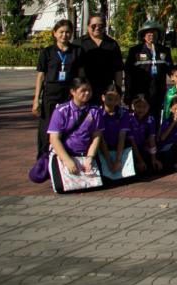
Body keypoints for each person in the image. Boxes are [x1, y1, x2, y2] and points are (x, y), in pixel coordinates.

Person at [33, 19, 84, 159]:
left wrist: (80, 94)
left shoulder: (77, 51)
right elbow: (41, 76)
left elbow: (81, 75)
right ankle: (44, 157)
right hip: (51, 92)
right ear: (54, 33)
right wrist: (36, 100)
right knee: (47, 126)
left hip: (69, 92)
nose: (64, 35)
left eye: (67, 32)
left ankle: (64, 155)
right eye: (61, 32)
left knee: (68, 124)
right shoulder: (47, 52)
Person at [46, 78, 104, 193]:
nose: (87, 93)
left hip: (85, 155)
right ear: (73, 91)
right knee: (61, 188)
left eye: (89, 90)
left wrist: (90, 157)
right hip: (65, 154)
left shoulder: (95, 111)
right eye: (83, 90)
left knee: (96, 185)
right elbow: (54, 138)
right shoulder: (61, 111)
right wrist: (67, 160)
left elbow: (96, 136)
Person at [125, 20, 173, 113]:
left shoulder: (165, 50)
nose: (152, 36)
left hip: (159, 93)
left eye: (154, 33)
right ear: (143, 36)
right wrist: (128, 94)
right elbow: (128, 73)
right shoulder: (135, 51)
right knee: (139, 118)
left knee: (156, 118)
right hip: (140, 93)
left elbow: (171, 71)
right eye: (149, 34)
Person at [76, 14, 123, 104]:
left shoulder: (112, 44)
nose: (97, 28)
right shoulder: (79, 43)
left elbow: (118, 70)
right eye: (93, 26)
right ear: (88, 26)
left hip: (106, 89)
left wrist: (118, 90)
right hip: (85, 89)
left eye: (100, 26)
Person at [96, 83, 131, 181]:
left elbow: (122, 137)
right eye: (110, 99)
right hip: (102, 148)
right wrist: (109, 162)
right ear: (103, 97)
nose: (113, 102)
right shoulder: (97, 113)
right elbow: (100, 138)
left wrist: (117, 160)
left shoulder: (123, 113)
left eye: (116, 99)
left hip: (119, 147)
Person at [156, 95, 177, 171]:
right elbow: (162, 138)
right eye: (175, 109)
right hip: (167, 150)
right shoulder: (167, 122)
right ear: (170, 109)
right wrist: (174, 122)